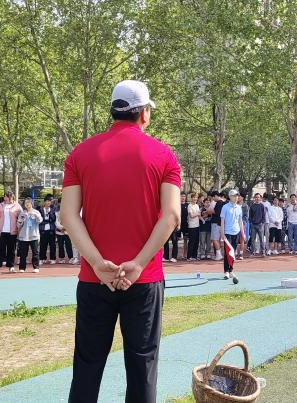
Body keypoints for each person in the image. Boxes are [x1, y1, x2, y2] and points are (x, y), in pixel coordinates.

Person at [62, 79, 181, 402]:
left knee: (87, 366)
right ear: (144, 113)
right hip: (144, 278)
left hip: (94, 278)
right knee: (142, 365)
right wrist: (138, 263)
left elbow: (68, 215)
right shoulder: (164, 155)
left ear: (113, 111)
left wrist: (97, 263)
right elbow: (171, 216)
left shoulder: (80, 154)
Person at [0, 191, 22, 273]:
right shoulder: (0, 205)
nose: (5, 198)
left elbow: (21, 216)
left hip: (12, 231)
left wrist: (19, 224)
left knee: (11, 249)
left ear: (11, 197)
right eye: (5, 196)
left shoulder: (17, 206)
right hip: (2, 231)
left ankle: (11, 266)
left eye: (6, 196)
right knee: (0, 249)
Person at [220, 190, 244, 280]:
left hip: (236, 232)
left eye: (237, 196)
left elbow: (240, 221)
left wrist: (242, 233)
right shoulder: (225, 207)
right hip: (227, 232)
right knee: (227, 252)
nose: (236, 197)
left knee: (233, 252)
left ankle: (231, 270)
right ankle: (226, 271)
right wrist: (222, 233)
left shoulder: (239, 207)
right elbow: (222, 221)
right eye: (234, 196)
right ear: (230, 196)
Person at [17, 197, 43, 273]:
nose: (27, 204)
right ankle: (22, 267)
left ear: (31, 203)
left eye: (28, 203)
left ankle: (36, 267)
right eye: (25, 203)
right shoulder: (22, 213)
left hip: (33, 235)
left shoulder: (36, 212)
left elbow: (40, 221)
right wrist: (21, 221)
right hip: (24, 236)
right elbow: (18, 225)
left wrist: (36, 216)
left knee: (35, 252)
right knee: (23, 253)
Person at [38, 195, 57, 265]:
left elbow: (54, 219)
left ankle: (53, 258)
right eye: (47, 201)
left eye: (50, 201)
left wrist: (50, 212)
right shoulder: (40, 209)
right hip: (43, 229)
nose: (49, 203)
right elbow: (39, 219)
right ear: (44, 202)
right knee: (43, 245)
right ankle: (42, 258)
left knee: (52, 245)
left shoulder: (53, 209)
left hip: (51, 229)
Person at [210, 192, 226, 261]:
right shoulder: (224, 203)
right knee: (218, 239)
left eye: (213, 197)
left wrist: (210, 211)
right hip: (221, 224)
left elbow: (217, 212)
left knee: (215, 239)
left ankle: (219, 254)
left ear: (216, 196)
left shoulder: (219, 203)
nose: (213, 199)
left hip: (216, 223)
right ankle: (218, 254)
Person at [186, 192, 201, 261]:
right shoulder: (189, 206)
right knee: (191, 241)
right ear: (191, 198)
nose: (195, 199)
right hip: (192, 226)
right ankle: (189, 256)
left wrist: (202, 220)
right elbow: (191, 215)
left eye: (196, 197)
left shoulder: (197, 205)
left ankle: (194, 256)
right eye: (194, 197)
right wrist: (197, 213)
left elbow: (199, 215)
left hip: (197, 225)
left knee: (196, 241)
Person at [237, 192, 249, 260]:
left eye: (239, 196)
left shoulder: (245, 206)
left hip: (242, 224)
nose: (238, 197)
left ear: (242, 198)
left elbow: (246, 217)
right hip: (234, 225)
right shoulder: (235, 205)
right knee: (235, 239)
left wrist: (243, 224)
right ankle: (234, 253)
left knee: (242, 239)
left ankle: (241, 254)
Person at [179, 192, 188, 260]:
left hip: (185, 225)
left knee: (185, 240)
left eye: (184, 196)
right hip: (178, 224)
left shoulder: (188, 205)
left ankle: (185, 254)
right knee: (176, 240)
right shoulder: (177, 204)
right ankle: (175, 255)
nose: (183, 197)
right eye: (181, 196)